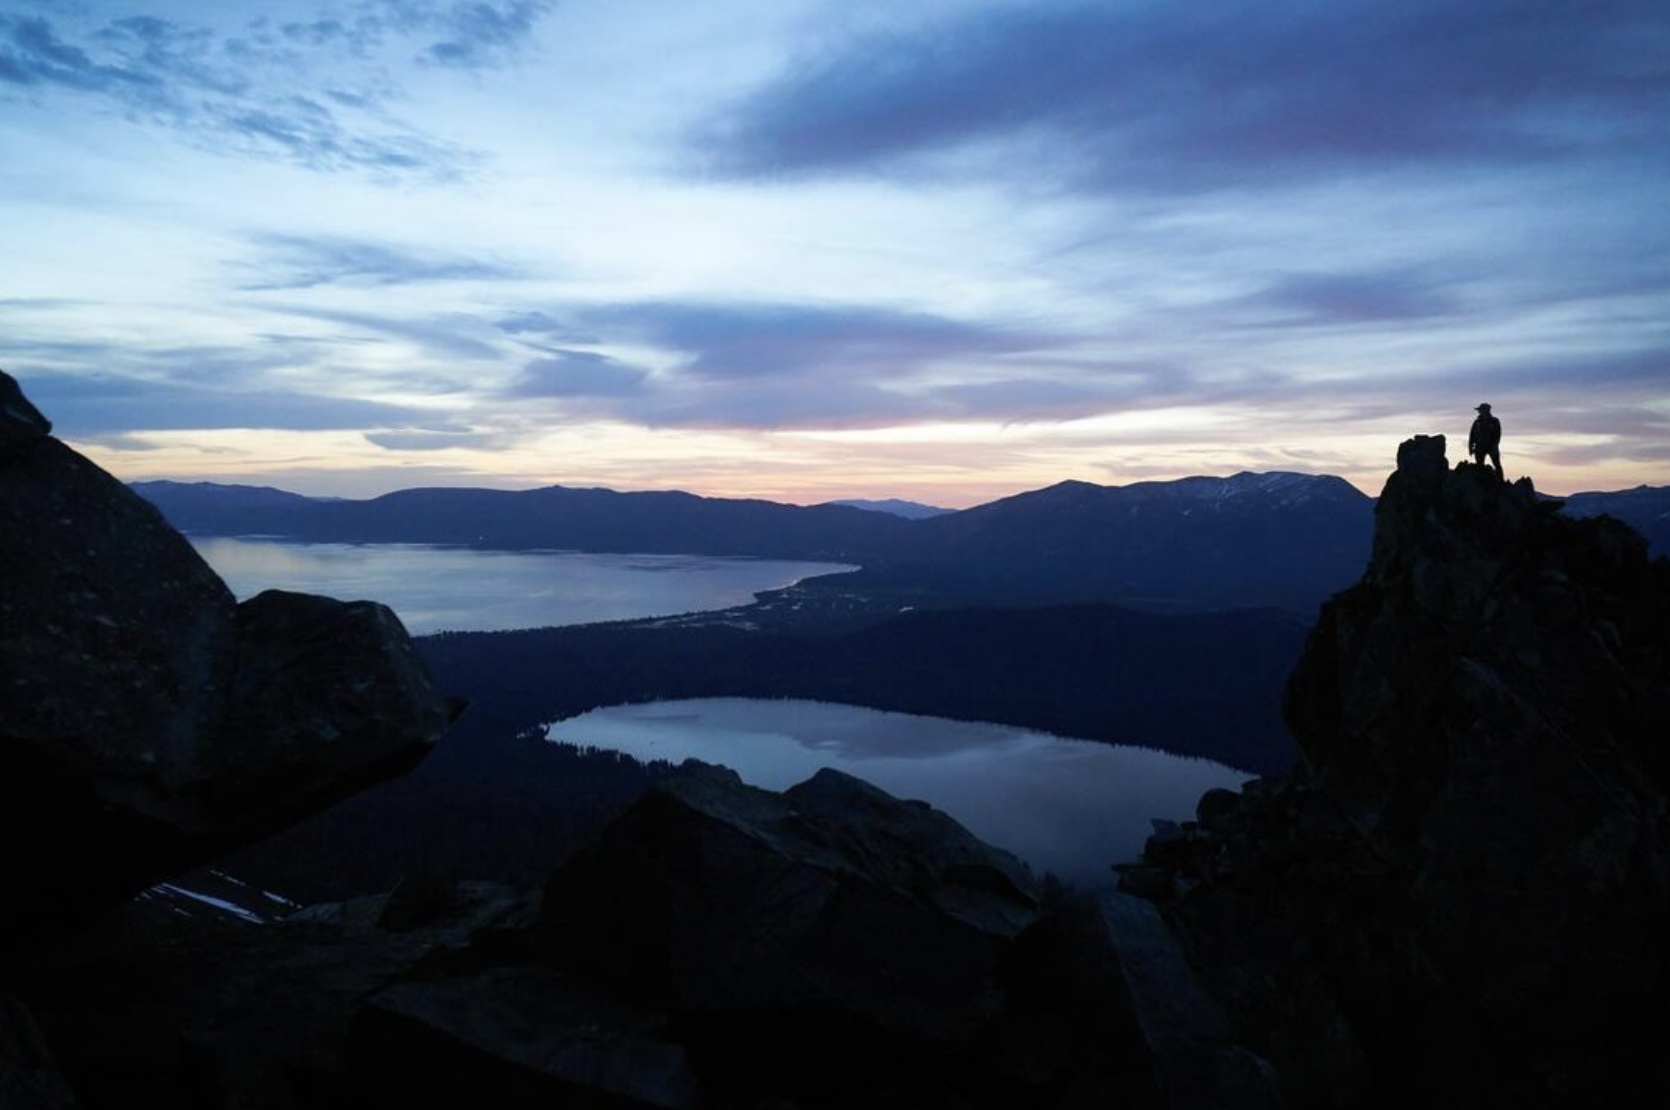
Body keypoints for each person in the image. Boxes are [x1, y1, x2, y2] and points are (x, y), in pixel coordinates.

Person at [1469, 402, 1502, 475]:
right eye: (1479, 410)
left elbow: (1498, 435)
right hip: (1479, 447)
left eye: (1480, 410)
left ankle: (1501, 483)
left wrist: (1494, 446)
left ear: (1486, 410)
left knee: (1497, 465)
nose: (1479, 411)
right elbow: (1472, 435)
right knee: (1479, 466)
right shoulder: (1477, 422)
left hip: (1491, 447)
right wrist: (1470, 448)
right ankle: (1482, 483)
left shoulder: (1494, 421)